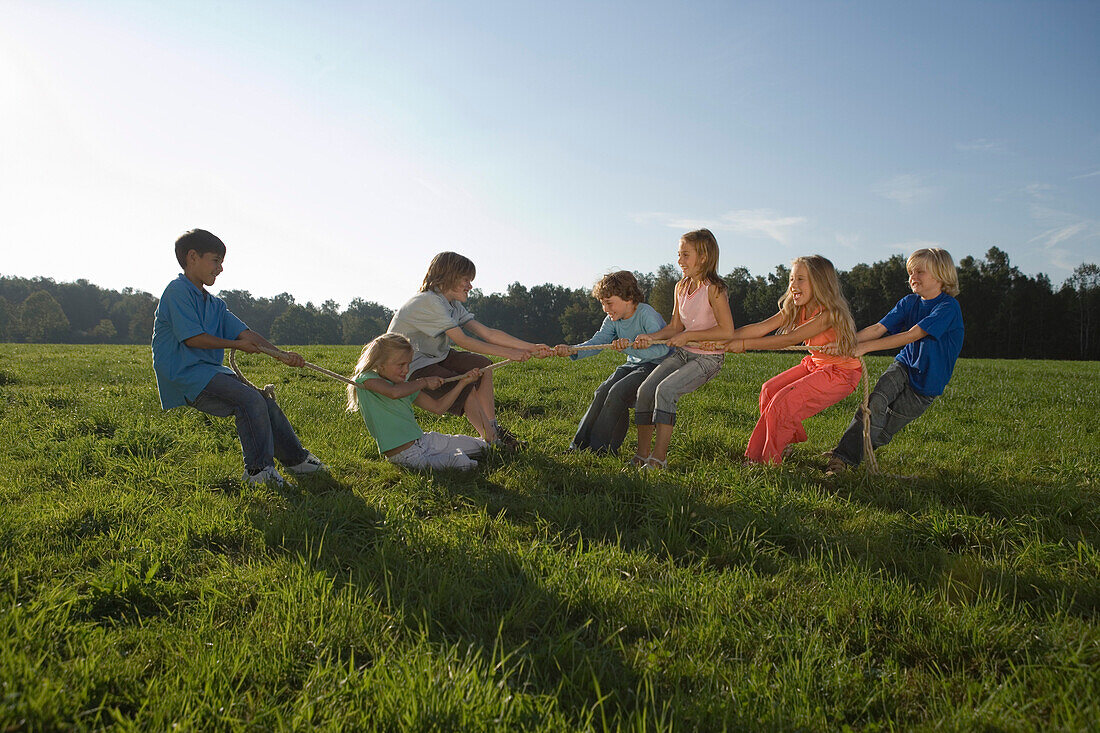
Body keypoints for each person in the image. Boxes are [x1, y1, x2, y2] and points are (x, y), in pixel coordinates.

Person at [151, 229, 326, 486]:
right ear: (192, 257)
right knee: (249, 400)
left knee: (264, 402)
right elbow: (193, 339)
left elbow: (247, 334)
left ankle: (296, 460)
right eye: (215, 260)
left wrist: (282, 355)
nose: (220, 268)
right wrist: (237, 345)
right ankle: (258, 472)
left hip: (209, 372)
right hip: (185, 374)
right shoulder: (177, 291)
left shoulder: (214, 305)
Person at [387, 252, 551, 450]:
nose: (470, 286)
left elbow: (488, 333)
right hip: (410, 366)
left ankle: (493, 429)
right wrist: (509, 353)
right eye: (466, 280)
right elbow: (463, 341)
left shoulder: (452, 304)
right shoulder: (428, 302)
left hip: (436, 357)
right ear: (448, 276)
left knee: (482, 366)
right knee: (465, 386)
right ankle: (494, 444)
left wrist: (530, 347)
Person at [825, 248, 964, 474]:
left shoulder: (948, 307)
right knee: (874, 403)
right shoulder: (909, 302)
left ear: (941, 275)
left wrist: (865, 347)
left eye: (920, 271)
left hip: (926, 386)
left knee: (884, 431)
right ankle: (841, 459)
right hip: (904, 366)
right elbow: (879, 328)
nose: (912, 277)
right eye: (910, 272)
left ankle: (851, 451)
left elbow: (912, 335)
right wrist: (846, 342)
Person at [719, 255, 862, 465]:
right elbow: (761, 328)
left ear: (820, 283)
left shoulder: (828, 314)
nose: (793, 285)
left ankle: (765, 461)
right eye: (791, 279)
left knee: (782, 403)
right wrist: (724, 337)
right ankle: (783, 444)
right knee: (769, 389)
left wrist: (743, 345)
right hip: (818, 366)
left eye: (800, 279)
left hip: (841, 374)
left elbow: (789, 339)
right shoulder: (797, 309)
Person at [631, 229, 735, 469]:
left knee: (665, 390)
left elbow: (727, 331)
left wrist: (689, 335)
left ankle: (659, 460)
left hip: (708, 359)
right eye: (679, 255)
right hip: (683, 353)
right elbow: (675, 326)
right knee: (646, 390)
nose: (679, 261)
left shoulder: (714, 289)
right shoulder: (680, 287)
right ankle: (643, 454)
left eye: (685, 255)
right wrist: (651, 337)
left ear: (704, 257)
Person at [552, 271, 670, 454]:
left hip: (655, 365)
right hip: (633, 364)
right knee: (601, 391)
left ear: (628, 297)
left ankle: (601, 449)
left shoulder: (646, 314)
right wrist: (573, 349)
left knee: (618, 392)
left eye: (609, 303)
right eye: (602, 304)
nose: (605, 309)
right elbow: (598, 342)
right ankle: (578, 446)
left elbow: (662, 350)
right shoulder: (612, 320)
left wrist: (626, 349)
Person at [347, 333, 488, 471]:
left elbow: (438, 408)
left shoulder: (405, 386)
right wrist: (424, 382)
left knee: (482, 446)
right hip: (406, 455)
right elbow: (393, 393)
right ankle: (463, 462)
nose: (406, 370)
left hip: (424, 441)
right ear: (381, 364)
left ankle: (490, 448)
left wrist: (462, 383)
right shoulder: (366, 378)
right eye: (401, 365)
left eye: (408, 364)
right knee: (460, 462)